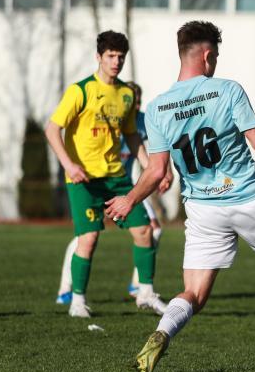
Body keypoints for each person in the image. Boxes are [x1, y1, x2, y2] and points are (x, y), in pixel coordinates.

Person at [105, 20, 255, 372]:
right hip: (247, 200)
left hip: (202, 210)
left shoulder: (157, 108)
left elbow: (155, 171)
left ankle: (160, 334)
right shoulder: (227, 90)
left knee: (193, 294)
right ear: (208, 55)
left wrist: (129, 200)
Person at [45, 31, 167, 318]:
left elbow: (132, 135)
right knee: (89, 238)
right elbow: (52, 129)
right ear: (98, 57)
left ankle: (146, 293)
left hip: (117, 179)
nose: (116, 62)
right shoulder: (81, 90)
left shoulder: (125, 94)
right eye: (111, 56)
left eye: (121, 57)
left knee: (145, 231)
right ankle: (77, 300)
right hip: (84, 179)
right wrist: (69, 165)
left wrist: (151, 167)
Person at [54, 82, 173, 304]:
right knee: (86, 237)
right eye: (131, 102)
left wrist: (165, 171)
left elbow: (161, 146)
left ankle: (140, 287)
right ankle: (66, 289)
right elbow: (57, 129)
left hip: (125, 186)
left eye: (137, 101)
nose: (134, 105)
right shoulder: (108, 118)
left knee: (151, 231)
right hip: (96, 184)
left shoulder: (141, 121)